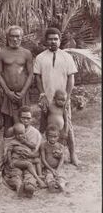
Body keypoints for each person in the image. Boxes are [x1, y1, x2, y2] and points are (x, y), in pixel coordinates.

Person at [34, 27, 79, 166]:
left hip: (62, 100)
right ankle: (42, 153)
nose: (53, 41)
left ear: (60, 40)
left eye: (56, 39)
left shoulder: (67, 57)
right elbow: (38, 78)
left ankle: (72, 154)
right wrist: (42, 95)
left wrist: (67, 98)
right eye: (50, 39)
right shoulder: (41, 57)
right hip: (47, 99)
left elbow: (71, 78)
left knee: (67, 126)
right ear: (46, 41)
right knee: (45, 126)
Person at [0, 25, 33, 133]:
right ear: (8, 37)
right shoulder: (1, 53)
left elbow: (30, 74)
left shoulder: (27, 53)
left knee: (24, 121)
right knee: (8, 123)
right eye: (12, 36)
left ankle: (23, 148)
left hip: (23, 93)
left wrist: (23, 92)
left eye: (17, 36)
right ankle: (8, 147)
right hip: (8, 94)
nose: (15, 39)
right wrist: (7, 92)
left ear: (22, 37)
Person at [3, 106, 43, 198]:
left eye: (28, 118)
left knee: (29, 175)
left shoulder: (35, 133)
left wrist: (30, 154)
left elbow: (37, 152)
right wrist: (13, 155)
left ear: (31, 119)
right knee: (15, 174)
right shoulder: (12, 131)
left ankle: (29, 186)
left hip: (29, 161)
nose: (25, 120)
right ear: (19, 118)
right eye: (23, 118)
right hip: (15, 161)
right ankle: (18, 186)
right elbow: (6, 148)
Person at [6, 123, 46, 188]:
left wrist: (25, 142)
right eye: (17, 134)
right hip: (16, 161)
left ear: (25, 133)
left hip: (25, 159)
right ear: (14, 135)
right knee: (28, 164)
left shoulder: (26, 140)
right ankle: (39, 180)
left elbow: (33, 147)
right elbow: (8, 152)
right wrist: (10, 161)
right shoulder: (13, 142)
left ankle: (40, 175)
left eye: (21, 133)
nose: (20, 136)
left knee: (38, 160)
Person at [40, 124, 67, 193]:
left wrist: (57, 169)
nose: (52, 139)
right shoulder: (43, 145)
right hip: (48, 168)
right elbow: (43, 159)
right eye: (50, 136)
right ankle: (51, 186)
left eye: (55, 137)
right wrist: (51, 169)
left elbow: (62, 159)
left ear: (58, 137)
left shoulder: (60, 146)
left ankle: (61, 185)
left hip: (58, 167)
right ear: (46, 136)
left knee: (61, 176)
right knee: (49, 177)